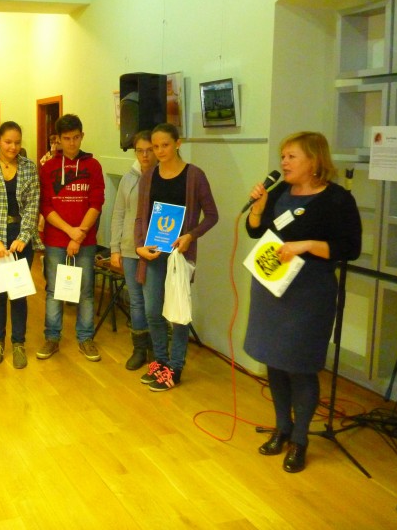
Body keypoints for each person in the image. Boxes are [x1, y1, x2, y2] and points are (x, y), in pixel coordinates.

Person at [244, 131, 361, 473]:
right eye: (282, 156)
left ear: (314, 160)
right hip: (270, 289)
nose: (283, 162)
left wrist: (307, 245)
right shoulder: (279, 191)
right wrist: (257, 211)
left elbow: (349, 248)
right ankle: (282, 428)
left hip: (309, 294)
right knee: (275, 362)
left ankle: (300, 439)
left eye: (291, 156)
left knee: (301, 365)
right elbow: (256, 232)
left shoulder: (337, 199)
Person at [134, 123, 219, 391]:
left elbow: (212, 215)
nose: (159, 151)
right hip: (153, 254)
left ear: (178, 143)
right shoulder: (149, 177)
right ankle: (160, 361)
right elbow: (140, 217)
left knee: (178, 312)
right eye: (155, 146)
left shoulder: (194, 176)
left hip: (179, 257)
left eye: (165, 145)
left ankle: (176, 367)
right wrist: (139, 246)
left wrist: (190, 236)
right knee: (152, 311)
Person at [0, 121, 42, 368]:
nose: (13, 147)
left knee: (19, 292)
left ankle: (19, 343)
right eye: (8, 142)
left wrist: (24, 236)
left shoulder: (29, 167)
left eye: (17, 142)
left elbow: (33, 204)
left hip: (21, 237)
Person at [38, 114, 105, 362]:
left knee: (85, 291)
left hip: (85, 240)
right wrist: (70, 232)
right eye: (66, 139)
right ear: (58, 139)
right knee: (54, 290)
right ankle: (52, 337)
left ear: (82, 136)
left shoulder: (93, 166)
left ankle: (85, 338)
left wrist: (79, 235)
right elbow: (46, 206)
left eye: (76, 137)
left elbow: (96, 203)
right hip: (56, 240)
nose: (72, 143)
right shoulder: (48, 167)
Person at [110, 130, 157, 371]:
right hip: (130, 249)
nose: (145, 155)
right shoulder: (129, 178)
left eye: (149, 150)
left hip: (155, 250)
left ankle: (157, 350)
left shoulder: (163, 175)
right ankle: (139, 349)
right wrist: (115, 248)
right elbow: (119, 214)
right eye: (140, 150)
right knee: (136, 301)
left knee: (154, 302)